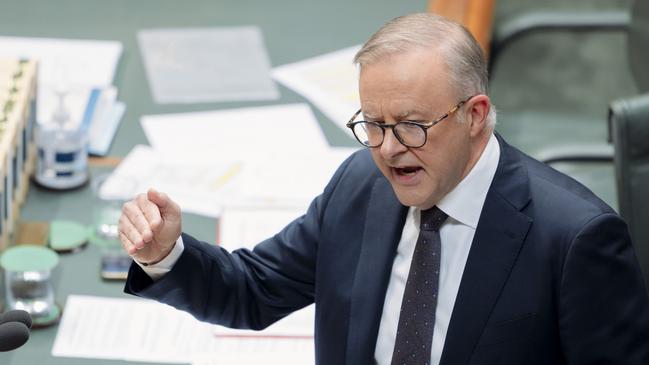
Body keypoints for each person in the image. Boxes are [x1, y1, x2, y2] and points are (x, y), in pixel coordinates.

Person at [119, 13, 649, 365]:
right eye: (373, 124)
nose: (389, 149)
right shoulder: (360, 185)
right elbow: (254, 290)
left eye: (412, 125)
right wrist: (167, 254)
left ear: (475, 116)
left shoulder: (574, 240)